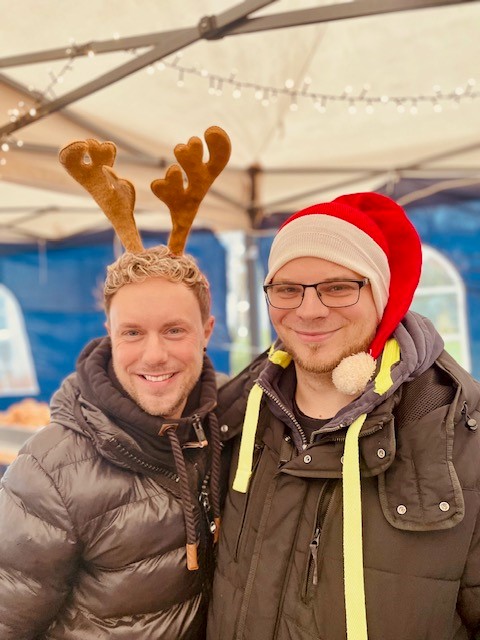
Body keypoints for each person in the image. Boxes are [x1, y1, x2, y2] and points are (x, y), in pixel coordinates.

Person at [208, 192, 480, 640]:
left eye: (338, 287)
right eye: (287, 289)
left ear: (381, 295)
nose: (309, 310)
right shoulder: (237, 417)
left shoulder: (458, 436)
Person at [0, 127, 231, 639]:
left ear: (206, 332)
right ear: (108, 332)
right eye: (133, 332)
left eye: (175, 330)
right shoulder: (49, 472)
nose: (155, 354)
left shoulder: (228, 431)